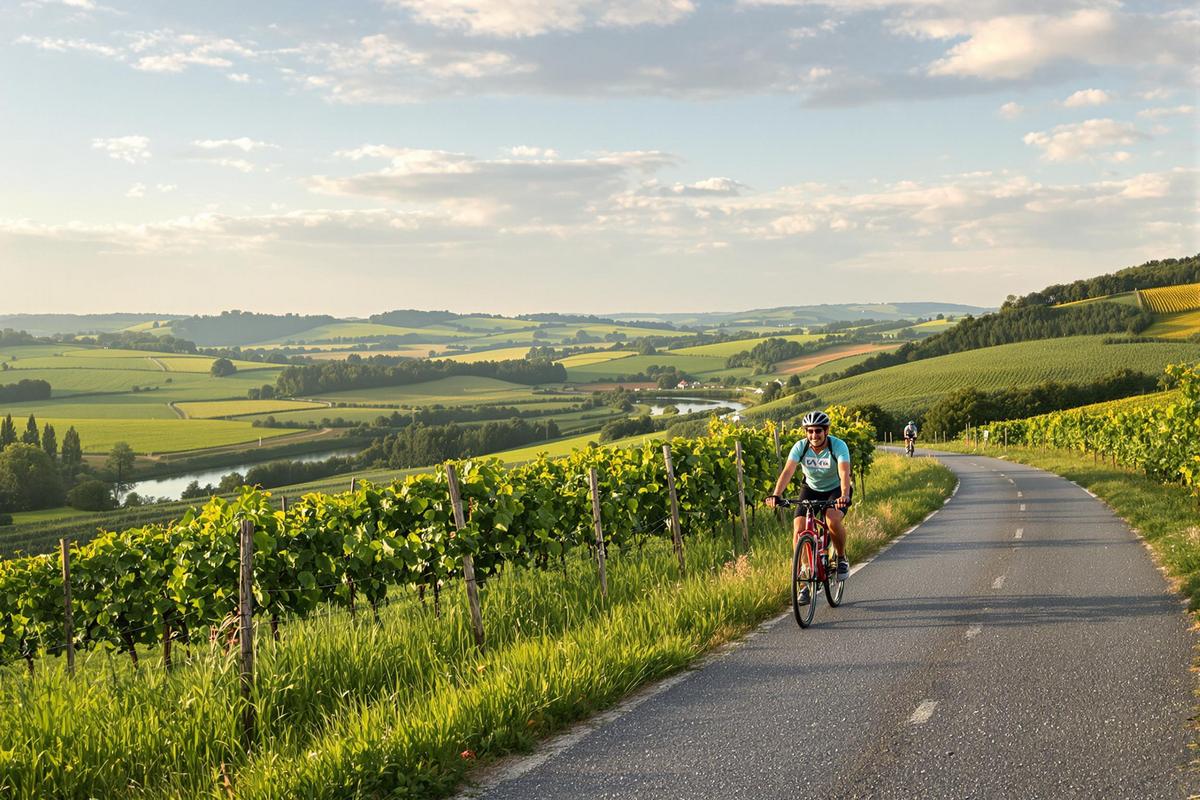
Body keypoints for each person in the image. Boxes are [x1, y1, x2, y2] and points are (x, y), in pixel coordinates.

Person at [765, 410, 852, 604]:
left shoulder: (838, 446)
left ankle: (841, 558)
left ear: (826, 431)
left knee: (832, 519)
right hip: (810, 489)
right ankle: (804, 580)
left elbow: (844, 472)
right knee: (799, 529)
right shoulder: (801, 446)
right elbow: (788, 471)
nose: (814, 435)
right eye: (810, 431)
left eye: (818, 431)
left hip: (836, 489)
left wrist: (844, 495)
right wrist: (776, 495)